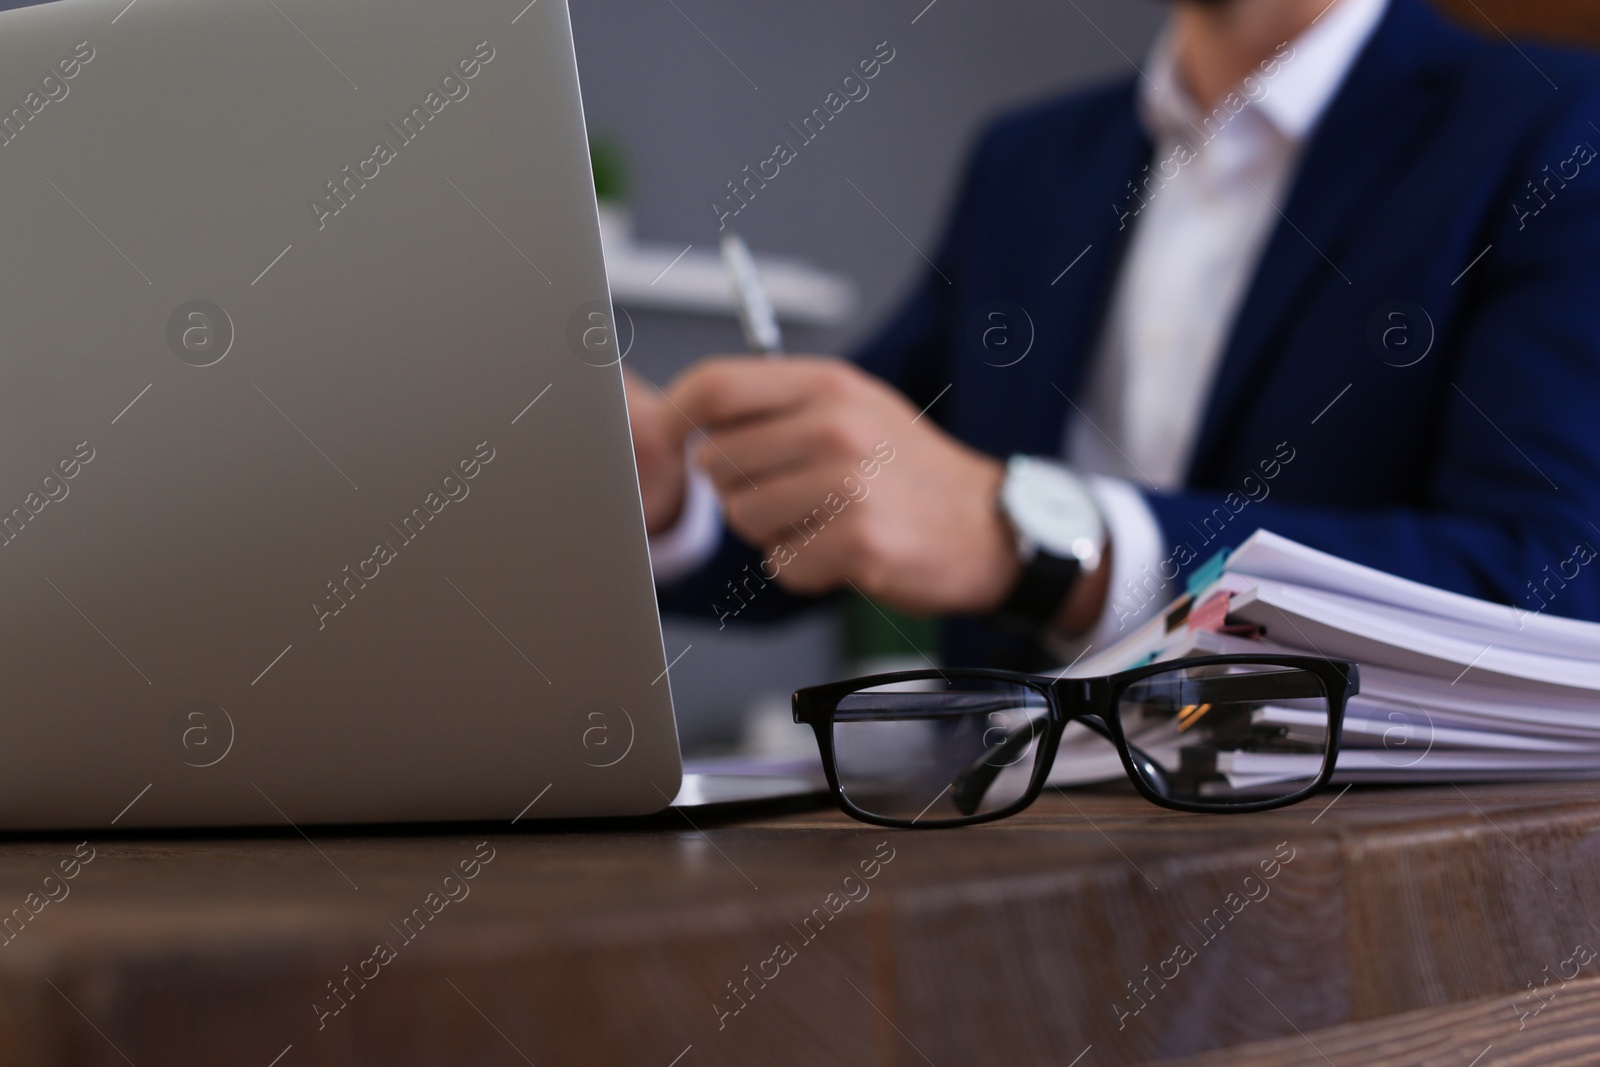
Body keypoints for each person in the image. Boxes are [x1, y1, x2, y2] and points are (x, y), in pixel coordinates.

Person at [627, 0, 1600, 671]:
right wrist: (671, 499)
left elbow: (1554, 581)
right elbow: (870, 492)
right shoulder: (1030, 158)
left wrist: (1046, 541)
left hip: (1352, 894)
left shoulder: (1549, 126)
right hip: (992, 868)